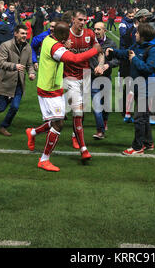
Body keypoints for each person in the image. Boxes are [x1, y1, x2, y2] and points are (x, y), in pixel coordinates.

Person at [24, 21, 102, 171]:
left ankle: (32, 132)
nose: (69, 38)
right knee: (58, 124)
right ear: (62, 35)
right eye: (67, 35)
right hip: (48, 90)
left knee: (57, 119)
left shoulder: (49, 39)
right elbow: (75, 59)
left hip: (54, 87)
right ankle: (44, 159)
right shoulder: (56, 48)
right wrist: (94, 50)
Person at [106, 23, 155, 155]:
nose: (135, 34)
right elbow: (126, 53)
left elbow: (149, 69)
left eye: (137, 33)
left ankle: (137, 147)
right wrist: (113, 52)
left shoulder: (153, 50)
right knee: (144, 117)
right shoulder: (137, 46)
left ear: (143, 36)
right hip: (138, 87)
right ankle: (148, 143)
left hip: (146, 89)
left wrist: (135, 59)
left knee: (139, 118)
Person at [63, 9, 103, 160]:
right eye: (80, 20)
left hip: (86, 75)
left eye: (85, 20)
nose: (83, 23)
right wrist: (63, 47)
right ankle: (83, 147)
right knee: (77, 110)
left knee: (82, 110)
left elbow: (100, 52)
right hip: (70, 77)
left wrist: (100, 64)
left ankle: (74, 134)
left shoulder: (90, 35)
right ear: (73, 19)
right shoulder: (65, 34)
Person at [0, 24, 36, 136]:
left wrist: (31, 73)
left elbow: (29, 64)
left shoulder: (27, 47)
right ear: (15, 33)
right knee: (0, 107)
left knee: (15, 107)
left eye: (26, 34)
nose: (25, 36)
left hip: (19, 83)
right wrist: (15, 66)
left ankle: (4, 126)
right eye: (22, 33)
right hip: (5, 82)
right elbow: (0, 62)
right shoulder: (5, 45)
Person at [91, 21, 118, 139]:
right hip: (93, 78)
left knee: (105, 104)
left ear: (104, 31)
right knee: (97, 105)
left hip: (106, 78)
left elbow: (118, 60)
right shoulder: (89, 42)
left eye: (99, 29)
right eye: (95, 29)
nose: (96, 31)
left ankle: (104, 121)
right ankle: (100, 131)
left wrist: (108, 65)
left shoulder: (111, 43)